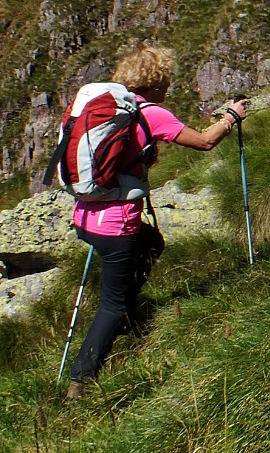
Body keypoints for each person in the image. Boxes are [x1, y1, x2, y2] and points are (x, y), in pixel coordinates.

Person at [66, 42, 247, 400]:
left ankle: (129, 316)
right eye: (167, 79)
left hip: (85, 215)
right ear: (157, 81)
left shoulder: (104, 108)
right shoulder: (151, 113)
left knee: (152, 242)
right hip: (116, 224)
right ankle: (81, 382)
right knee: (111, 305)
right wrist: (230, 117)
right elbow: (206, 142)